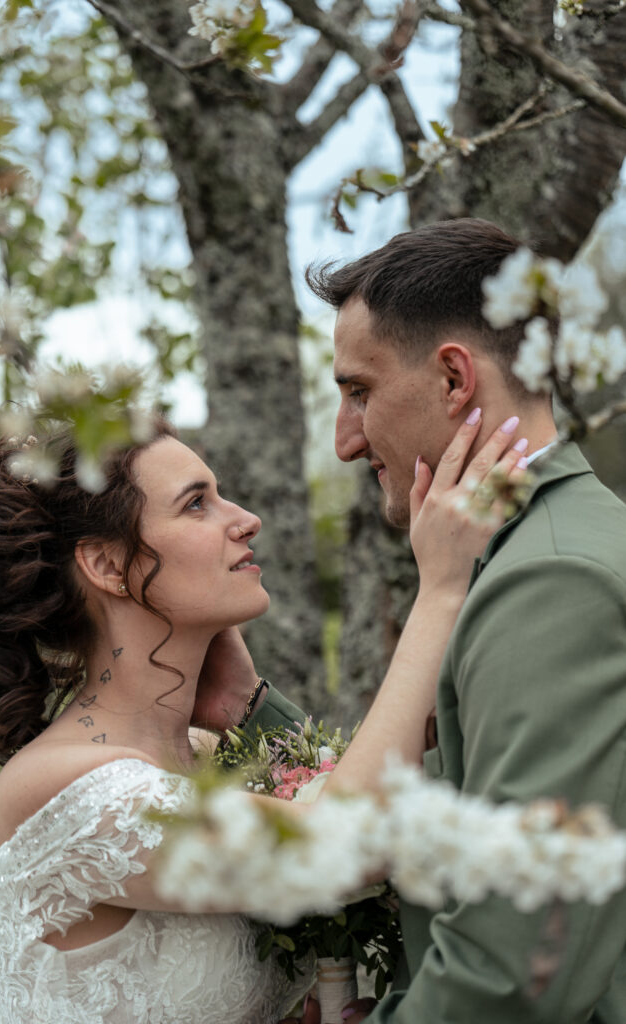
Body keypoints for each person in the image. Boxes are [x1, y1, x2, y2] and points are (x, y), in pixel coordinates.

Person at [0, 411, 522, 1024]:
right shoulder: (66, 788)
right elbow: (336, 847)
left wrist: (247, 706)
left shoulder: (209, 754)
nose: (247, 520)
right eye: (197, 504)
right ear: (108, 566)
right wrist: (441, 589)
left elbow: (351, 805)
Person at [272, 217, 626, 1024]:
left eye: (358, 391)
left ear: (453, 379)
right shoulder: (513, 556)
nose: (344, 441)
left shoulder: (551, 579)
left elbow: (518, 964)